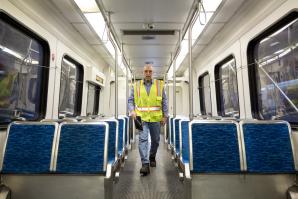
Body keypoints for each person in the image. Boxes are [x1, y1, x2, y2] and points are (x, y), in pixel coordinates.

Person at [128, 64, 168, 175]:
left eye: (150, 71)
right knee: (143, 140)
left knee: (155, 140)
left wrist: (165, 116)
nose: (148, 73)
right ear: (143, 72)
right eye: (146, 71)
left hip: (156, 118)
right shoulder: (136, 86)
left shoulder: (160, 85)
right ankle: (145, 164)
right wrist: (132, 110)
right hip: (141, 118)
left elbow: (164, 101)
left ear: (153, 73)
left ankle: (152, 156)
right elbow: (130, 100)